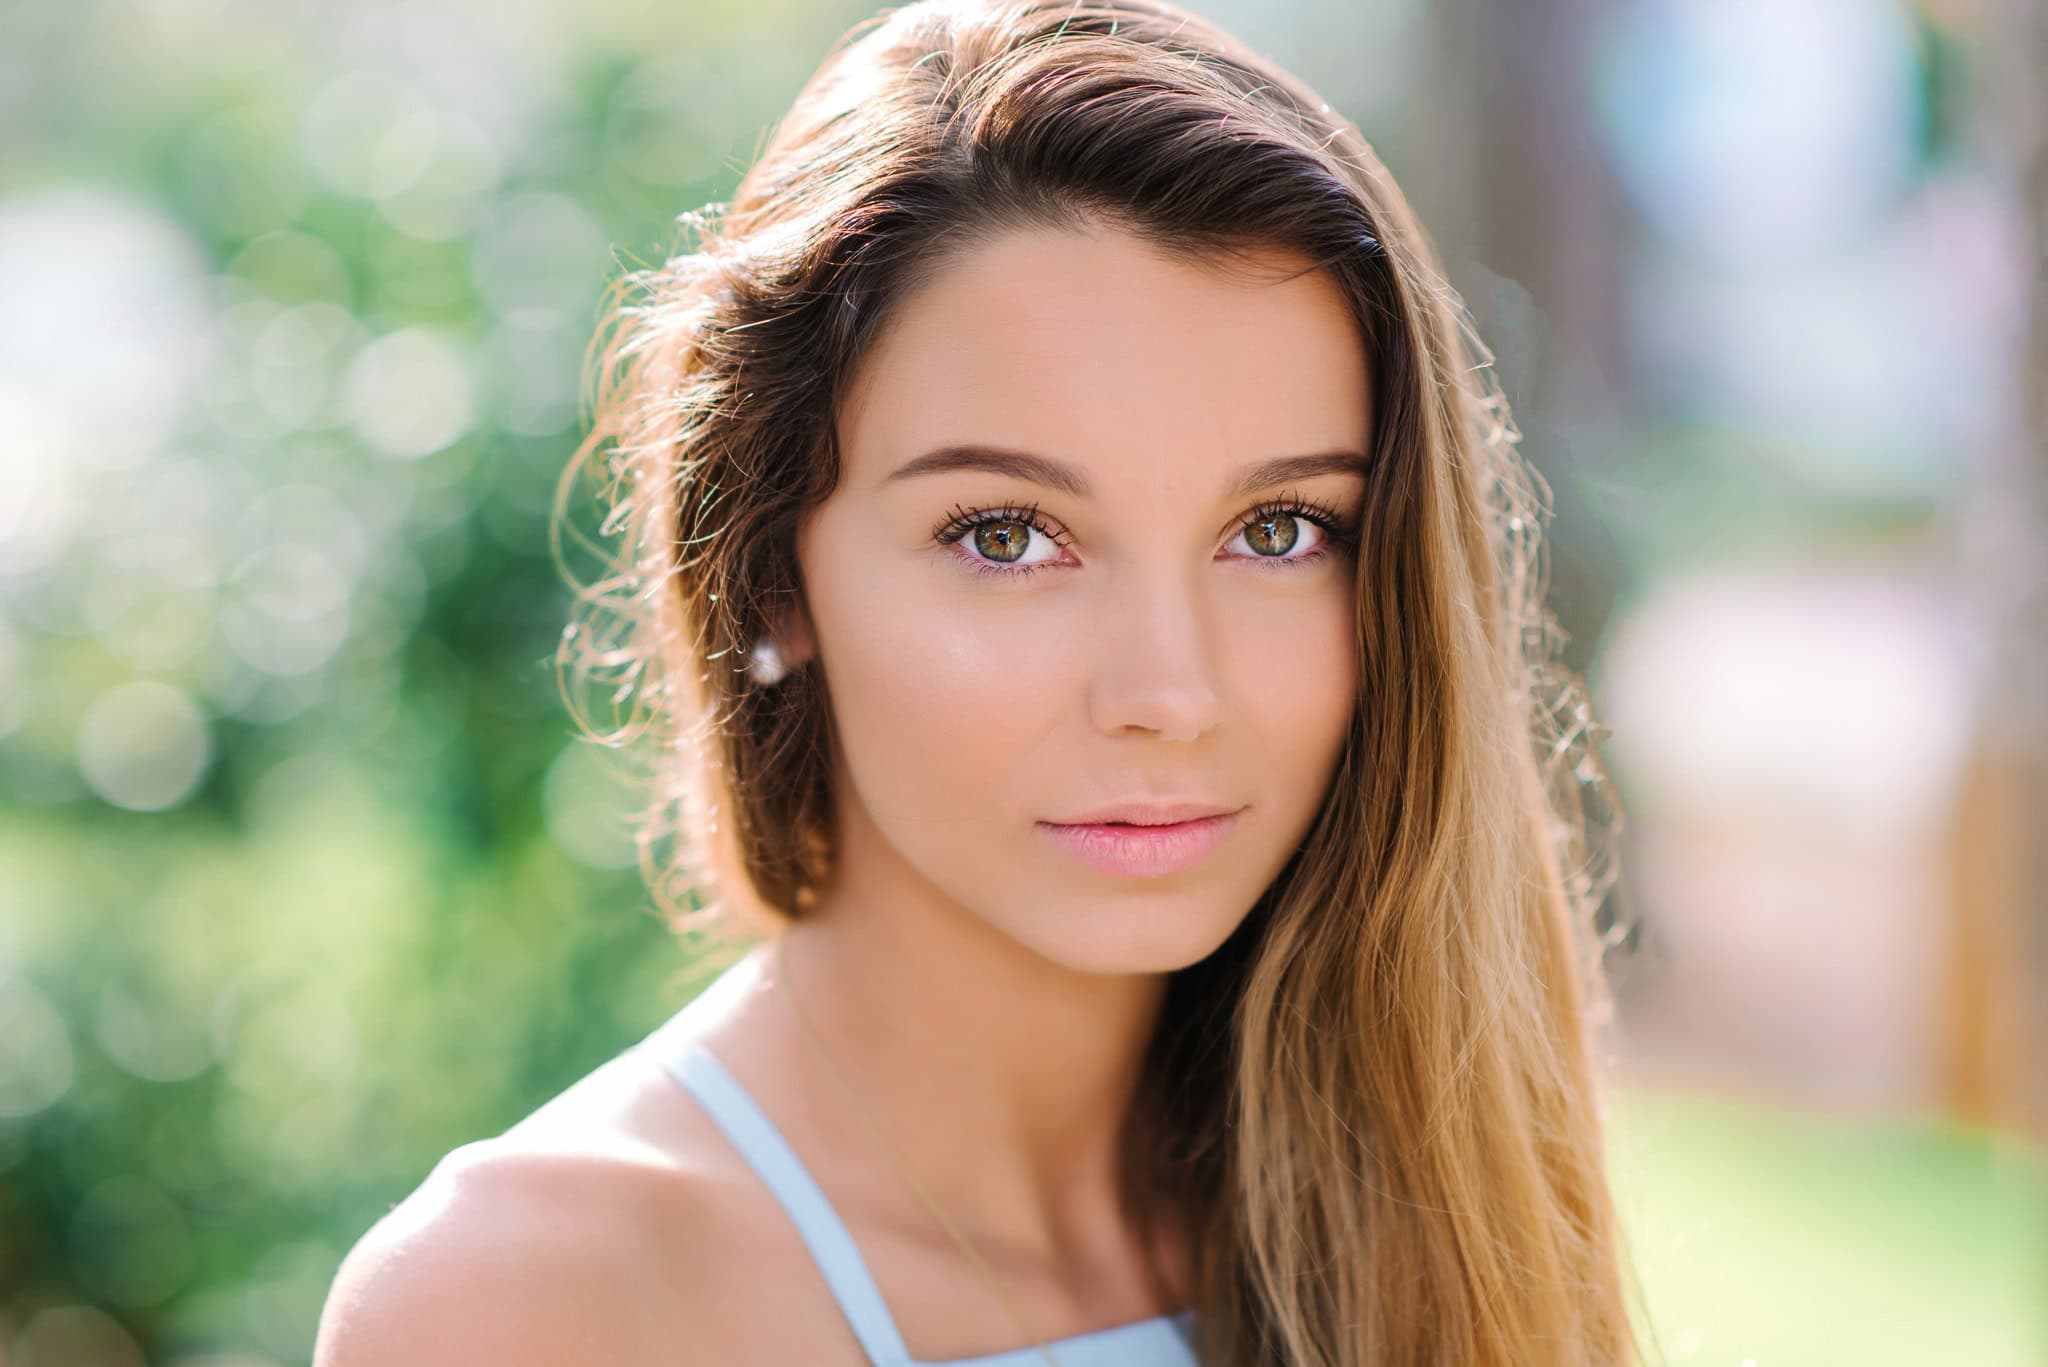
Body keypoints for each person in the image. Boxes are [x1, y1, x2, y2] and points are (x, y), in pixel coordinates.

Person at [313, 1, 1647, 1363]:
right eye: (1007, 537)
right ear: (773, 576)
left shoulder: (1440, 1203)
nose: (1171, 693)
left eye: (1279, 531)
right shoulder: (523, 1304)